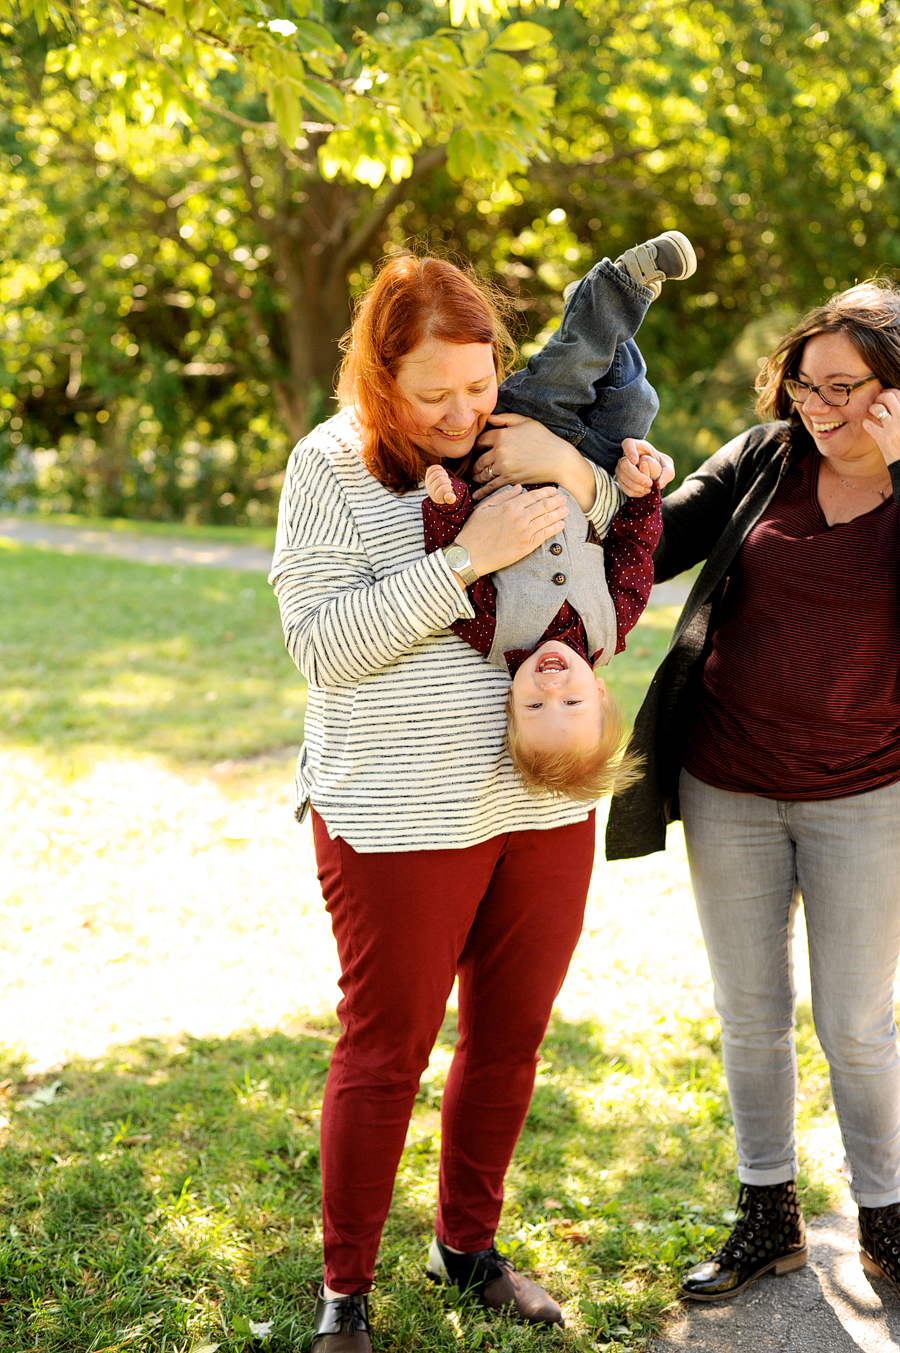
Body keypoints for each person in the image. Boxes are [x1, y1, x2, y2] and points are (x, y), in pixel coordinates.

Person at [268, 241, 682, 1351]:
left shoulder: (525, 432)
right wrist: (461, 560)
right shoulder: (332, 466)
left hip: (545, 799)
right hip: (401, 811)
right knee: (385, 1047)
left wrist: (576, 467)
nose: (462, 412)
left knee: (509, 1040)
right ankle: (345, 1293)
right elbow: (319, 646)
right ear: (379, 381)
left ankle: (469, 1247)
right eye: (433, 394)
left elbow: (616, 550)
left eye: (481, 381)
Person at [606, 278, 900, 1303]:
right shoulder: (768, 456)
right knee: (750, 1013)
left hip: (866, 792)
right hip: (729, 781)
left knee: (858, 1024)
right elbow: (659, 539)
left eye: (845, 389)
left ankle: (886, 1218)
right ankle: (767, 1214)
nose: (818, 410)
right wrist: (625, 483)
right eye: (805, 386)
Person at [422, 460, 661, 798]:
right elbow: (635, 551)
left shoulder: (491, 632)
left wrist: (449, 506)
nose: (551, 688)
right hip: (581, 454)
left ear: (511, 701)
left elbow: (458, 566)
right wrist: (642, 498)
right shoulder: (614, 625)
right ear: (600, 693)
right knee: (632, 408)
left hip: (500, 467)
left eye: (534, 706)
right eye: (572, 701)